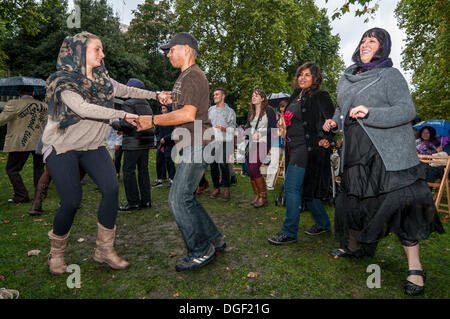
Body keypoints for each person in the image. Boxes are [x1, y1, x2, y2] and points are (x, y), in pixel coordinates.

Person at [322, 27, 444, 296]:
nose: (366, 43)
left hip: (387, 153)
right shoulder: (346, 77)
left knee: (401, 205)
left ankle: (415, 267)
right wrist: (333, 122)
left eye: (373, 40)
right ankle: (355, 247)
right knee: (354, 199)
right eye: (364, 39)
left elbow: (406, 110)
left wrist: (371, 112)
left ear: (383, 47)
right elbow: (342, 110)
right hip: (355, 152)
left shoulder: (390, 74)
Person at [42, 31, 165, 275]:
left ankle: (104, 250)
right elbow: (82, 108)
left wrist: (155, 94)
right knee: (71, 201)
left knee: (110, 189)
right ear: (79, 52)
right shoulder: (62, 80)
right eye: (97, 49)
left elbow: (127, 91)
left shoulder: (103, 81)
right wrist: (121, 114)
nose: (103, 54)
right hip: (62, 146)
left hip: (93, 145)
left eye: (102, 49)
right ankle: (56, 254)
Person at [136, 32, 225, 272]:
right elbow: (184, 106)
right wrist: (168, 96)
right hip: (194, 142)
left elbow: (187, 114)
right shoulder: (186, 76)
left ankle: (200, 250)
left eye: (171, 49)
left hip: (198, 142)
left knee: (178, 199)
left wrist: (152, 119)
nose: (167, 54)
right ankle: (214, 238)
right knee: (187, 197)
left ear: (186, 49)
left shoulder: (192, 76)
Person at [268, 62, 334, 245]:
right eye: (300, 75)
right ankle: (323, 223)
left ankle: (289, 232)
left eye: (307, 75)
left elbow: (330, 119)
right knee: (307, 190)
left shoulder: (320, 95)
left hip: (309, 148)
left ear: (315, 78)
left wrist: (326, 136)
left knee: (291, 188)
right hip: (292, 147)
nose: (302, 78)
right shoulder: (295, 96)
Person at [0, 85, 47, 204]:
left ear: (19, 93)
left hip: (20, 142)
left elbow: (2, 119)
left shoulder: (14, 103)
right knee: (39, 167)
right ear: (33, 92)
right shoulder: (43, 105)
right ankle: (39, 194)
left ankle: (21, 195)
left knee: (12, 169)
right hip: (40, 141)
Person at [112, 78, 154, 211]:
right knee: (143, 171)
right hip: (145, 142)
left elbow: (126, 124)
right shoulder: (147, 104)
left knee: (128, 172)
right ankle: (146, 201)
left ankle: (133, 202)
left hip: (133, 142)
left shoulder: (129, 103)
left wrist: (114, 124)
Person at [246, 90, 277, 208]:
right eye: (252, 95)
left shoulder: (269, 111)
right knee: (250, 169)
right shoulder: (251, 112)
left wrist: (261, 133)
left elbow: (274, 129)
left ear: (262, 98)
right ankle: (257, 195)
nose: (253, 97)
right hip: (252, 143)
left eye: (256, 95)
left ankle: (263, 196)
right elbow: (248, 127)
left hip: (264, 142)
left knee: (254, 167)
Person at [208, 87, 236, 201]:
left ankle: (226, 189)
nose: (214, 96)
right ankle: (216, 188)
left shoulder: (230, 112)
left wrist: (224, 128)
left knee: (224, 165)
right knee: (213, 165)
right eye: (214, 95)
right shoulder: (210, 110)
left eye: (217, 94)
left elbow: (233, 128)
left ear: (223, 96)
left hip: (224, 141)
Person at [265, 100, 288, 190]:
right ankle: (269, 183)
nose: (284, 109)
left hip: (286, 140)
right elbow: (271, 126)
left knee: (287, 162)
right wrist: (277, 124)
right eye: (283, 107)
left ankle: (287, 183)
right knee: (274, 162)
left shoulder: (290, 116)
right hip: (275, 139)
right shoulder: (275, 115)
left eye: (285, 107)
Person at [153, 104, 176, 187]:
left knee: (170, 162)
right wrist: (159, 139)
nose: (162, 110)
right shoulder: (160, 119)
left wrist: (165, 138)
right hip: (161, 144)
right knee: (159, 161)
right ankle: (160, 179)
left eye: (164, 108)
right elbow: (156, 131)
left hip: (170, 143)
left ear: (168, 109)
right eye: (161, 108)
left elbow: (175, 132)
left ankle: (172, 179)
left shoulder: (173, 119)